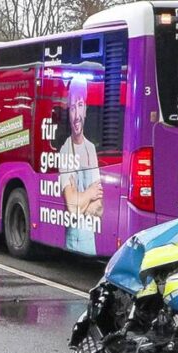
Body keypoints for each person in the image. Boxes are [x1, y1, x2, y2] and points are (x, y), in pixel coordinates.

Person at [58, 79, 103, 255]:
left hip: (91, 244)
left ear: (86, 110)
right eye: (72, 108)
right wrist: (90, 194)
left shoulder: (91, 149)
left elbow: (100, 207)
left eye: (80, 105)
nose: (76, 115)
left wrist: (81, 199)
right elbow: (71, 205)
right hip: (73, 242)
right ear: (68, 112)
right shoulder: (65, 151)